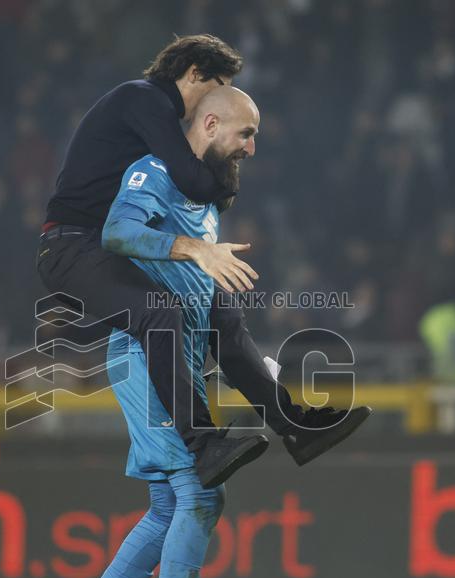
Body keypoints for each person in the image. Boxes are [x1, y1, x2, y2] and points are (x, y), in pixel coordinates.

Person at [44, 86, 370, 578]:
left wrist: (262, 376)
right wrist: (194, 248)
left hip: (181, 357)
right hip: (145, 356)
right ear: (211, 122)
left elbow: (206, 306)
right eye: (245, 133)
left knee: (172, 505)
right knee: (199, 495)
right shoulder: (153, 172)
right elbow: (117, 232)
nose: (252, 145)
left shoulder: (205, 196)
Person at [36, 35, 369, 490]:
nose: (216, 95)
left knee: (222, 316)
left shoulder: (153, 113)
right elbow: (193, 179)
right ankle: (200, 443)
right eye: (217, 83)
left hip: (110, 245)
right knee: (159, 310)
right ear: (192, 73)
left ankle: (295, 426)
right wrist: (203, 234)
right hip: (71, 248)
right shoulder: (145, 99)